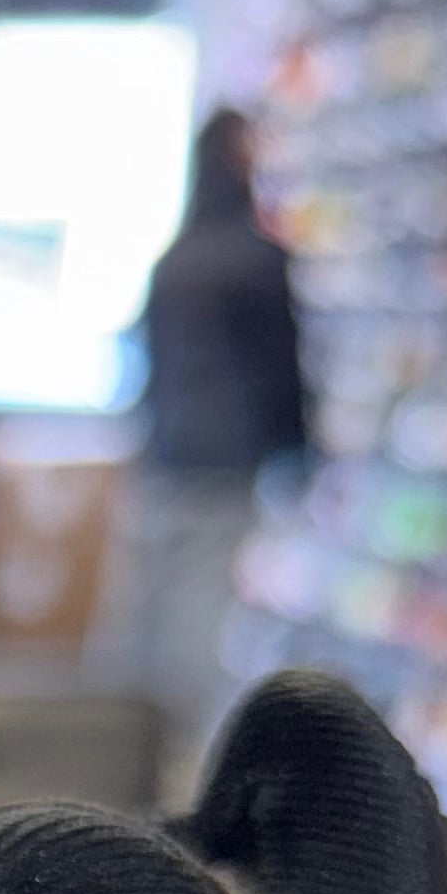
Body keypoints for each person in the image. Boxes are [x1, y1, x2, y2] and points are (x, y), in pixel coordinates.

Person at [126, 105, 310, 789]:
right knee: (201, 607)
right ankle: (178, 760)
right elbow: (280, 368)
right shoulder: (255, 258)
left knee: (149, 602)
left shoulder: (173, 260)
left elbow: (148, 363)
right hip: (227, 459)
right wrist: (298, 448)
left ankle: (128, 739)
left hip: (167, 453)